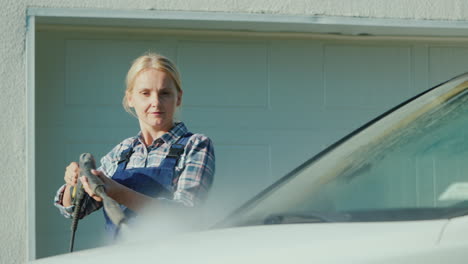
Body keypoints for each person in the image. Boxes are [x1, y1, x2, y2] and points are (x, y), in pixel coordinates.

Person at [54, 52, 215, 238]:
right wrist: (73, 183)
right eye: (145, 93)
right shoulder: (122, 152)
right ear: (130, 98)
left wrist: (118, 192)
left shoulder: (195, 146)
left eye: (165, 93)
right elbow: (75, 211)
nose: (155, 102)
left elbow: (186, 214)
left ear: (178, 98)